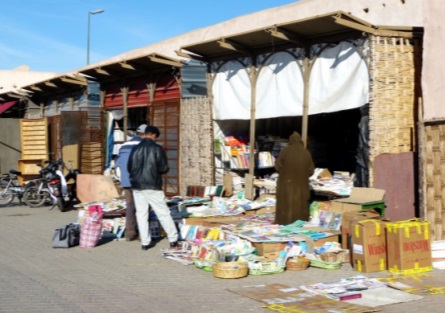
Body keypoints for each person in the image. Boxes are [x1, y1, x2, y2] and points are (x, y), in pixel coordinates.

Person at [127, 125, 178, 250]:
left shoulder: (134, 149)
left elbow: (129, 167)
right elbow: (164, 168)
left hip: (137, 185)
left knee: (141, 213)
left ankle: (145, 242)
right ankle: (173, 239)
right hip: (152, 185)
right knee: (163, 213)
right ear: (154, 135)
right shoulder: (157, 149)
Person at [114, 124, 147, 241]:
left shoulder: (123, 145)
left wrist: (121, 179)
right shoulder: (144, 145)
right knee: (143, 208)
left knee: (130, 207)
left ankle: (130, 233)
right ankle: (143, 235)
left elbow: (117, 164)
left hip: (126, 182)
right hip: (140, 181)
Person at [274, 131, 315, 225]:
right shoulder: (306, 153)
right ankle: (299, 224)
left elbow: (277, 166)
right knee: (300, 205)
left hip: (285, 185)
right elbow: (311, 171)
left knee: (285, 204)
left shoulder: (285, 151)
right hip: (301, 185)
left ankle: (283, 222)